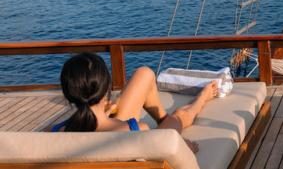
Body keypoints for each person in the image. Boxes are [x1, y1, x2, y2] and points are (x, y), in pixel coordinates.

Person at [51, 52, 216, 152]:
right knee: (178, 117)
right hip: (129, 138)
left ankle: (161, 117)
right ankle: (204, 96)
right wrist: (186, 149)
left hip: (102, 127)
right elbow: (173, 154)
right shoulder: (137, 132)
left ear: (68, 94)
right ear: (107, 88)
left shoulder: (53, 134)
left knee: (144, 74)